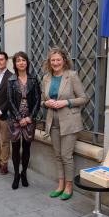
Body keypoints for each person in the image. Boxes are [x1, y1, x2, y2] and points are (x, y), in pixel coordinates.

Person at [41, 47, 87, 200]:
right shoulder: (46, 78)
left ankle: (68, 186)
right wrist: (46, 103)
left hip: (69, 122)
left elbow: (83, 98)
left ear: (64, 61)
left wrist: (65, 102)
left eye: (58, 60)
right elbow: (43, 100)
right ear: (49, 62)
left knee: (66, 156)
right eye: (53, 60)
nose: (55, 63)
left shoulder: (72, 76)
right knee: (58, 155)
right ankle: (60, 184)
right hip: (52, 121)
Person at [7, 51, 41, 189]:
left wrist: (30, 117)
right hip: (15, 119)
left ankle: (24, 173)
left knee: (27, 147)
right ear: (15, 64)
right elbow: (9, 100)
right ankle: (16, 175)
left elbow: (38, 100)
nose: (21, 62)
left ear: (27, 62)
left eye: (23, 60)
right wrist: (19, 118)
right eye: (18, 60)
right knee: (15, 148)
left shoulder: (33, 79)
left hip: (29, 119)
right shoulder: (11, 80)